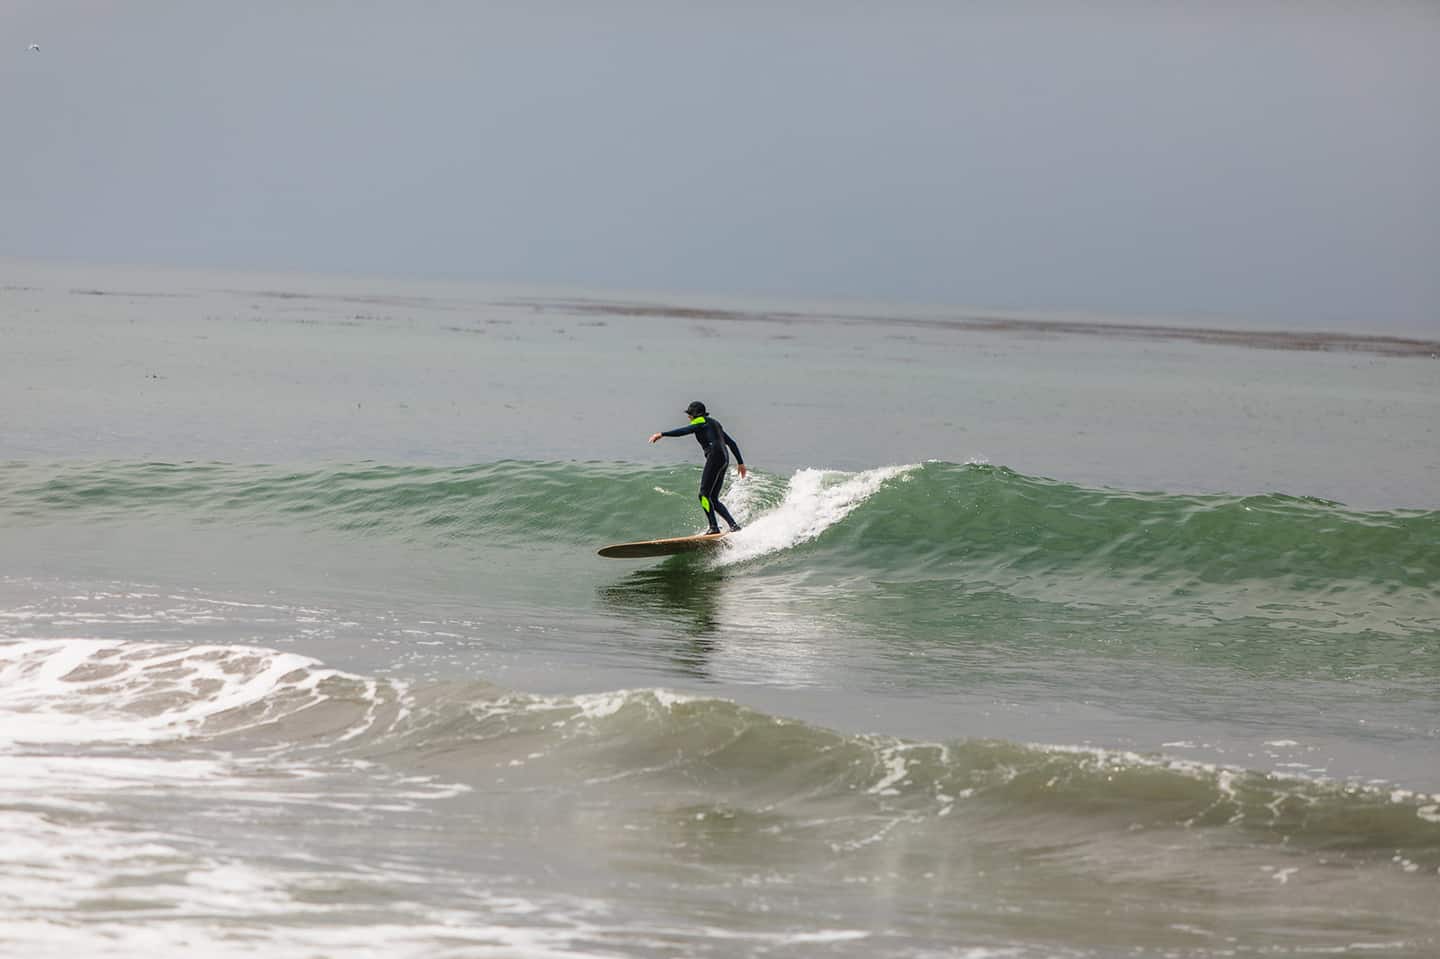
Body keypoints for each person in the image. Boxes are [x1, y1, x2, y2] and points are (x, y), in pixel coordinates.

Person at [649, 401, 748, 535]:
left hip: (715, 457)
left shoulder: (700, 421)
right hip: (724, 458)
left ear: (694, 414)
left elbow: (684, 431)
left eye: (689, 414)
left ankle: (713, 527)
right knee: (712, 498)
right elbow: (731, 443)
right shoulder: (715, 423)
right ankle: (734, 526)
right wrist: (740, 463)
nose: (688, 417)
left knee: (703, 495)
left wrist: (662, 434)